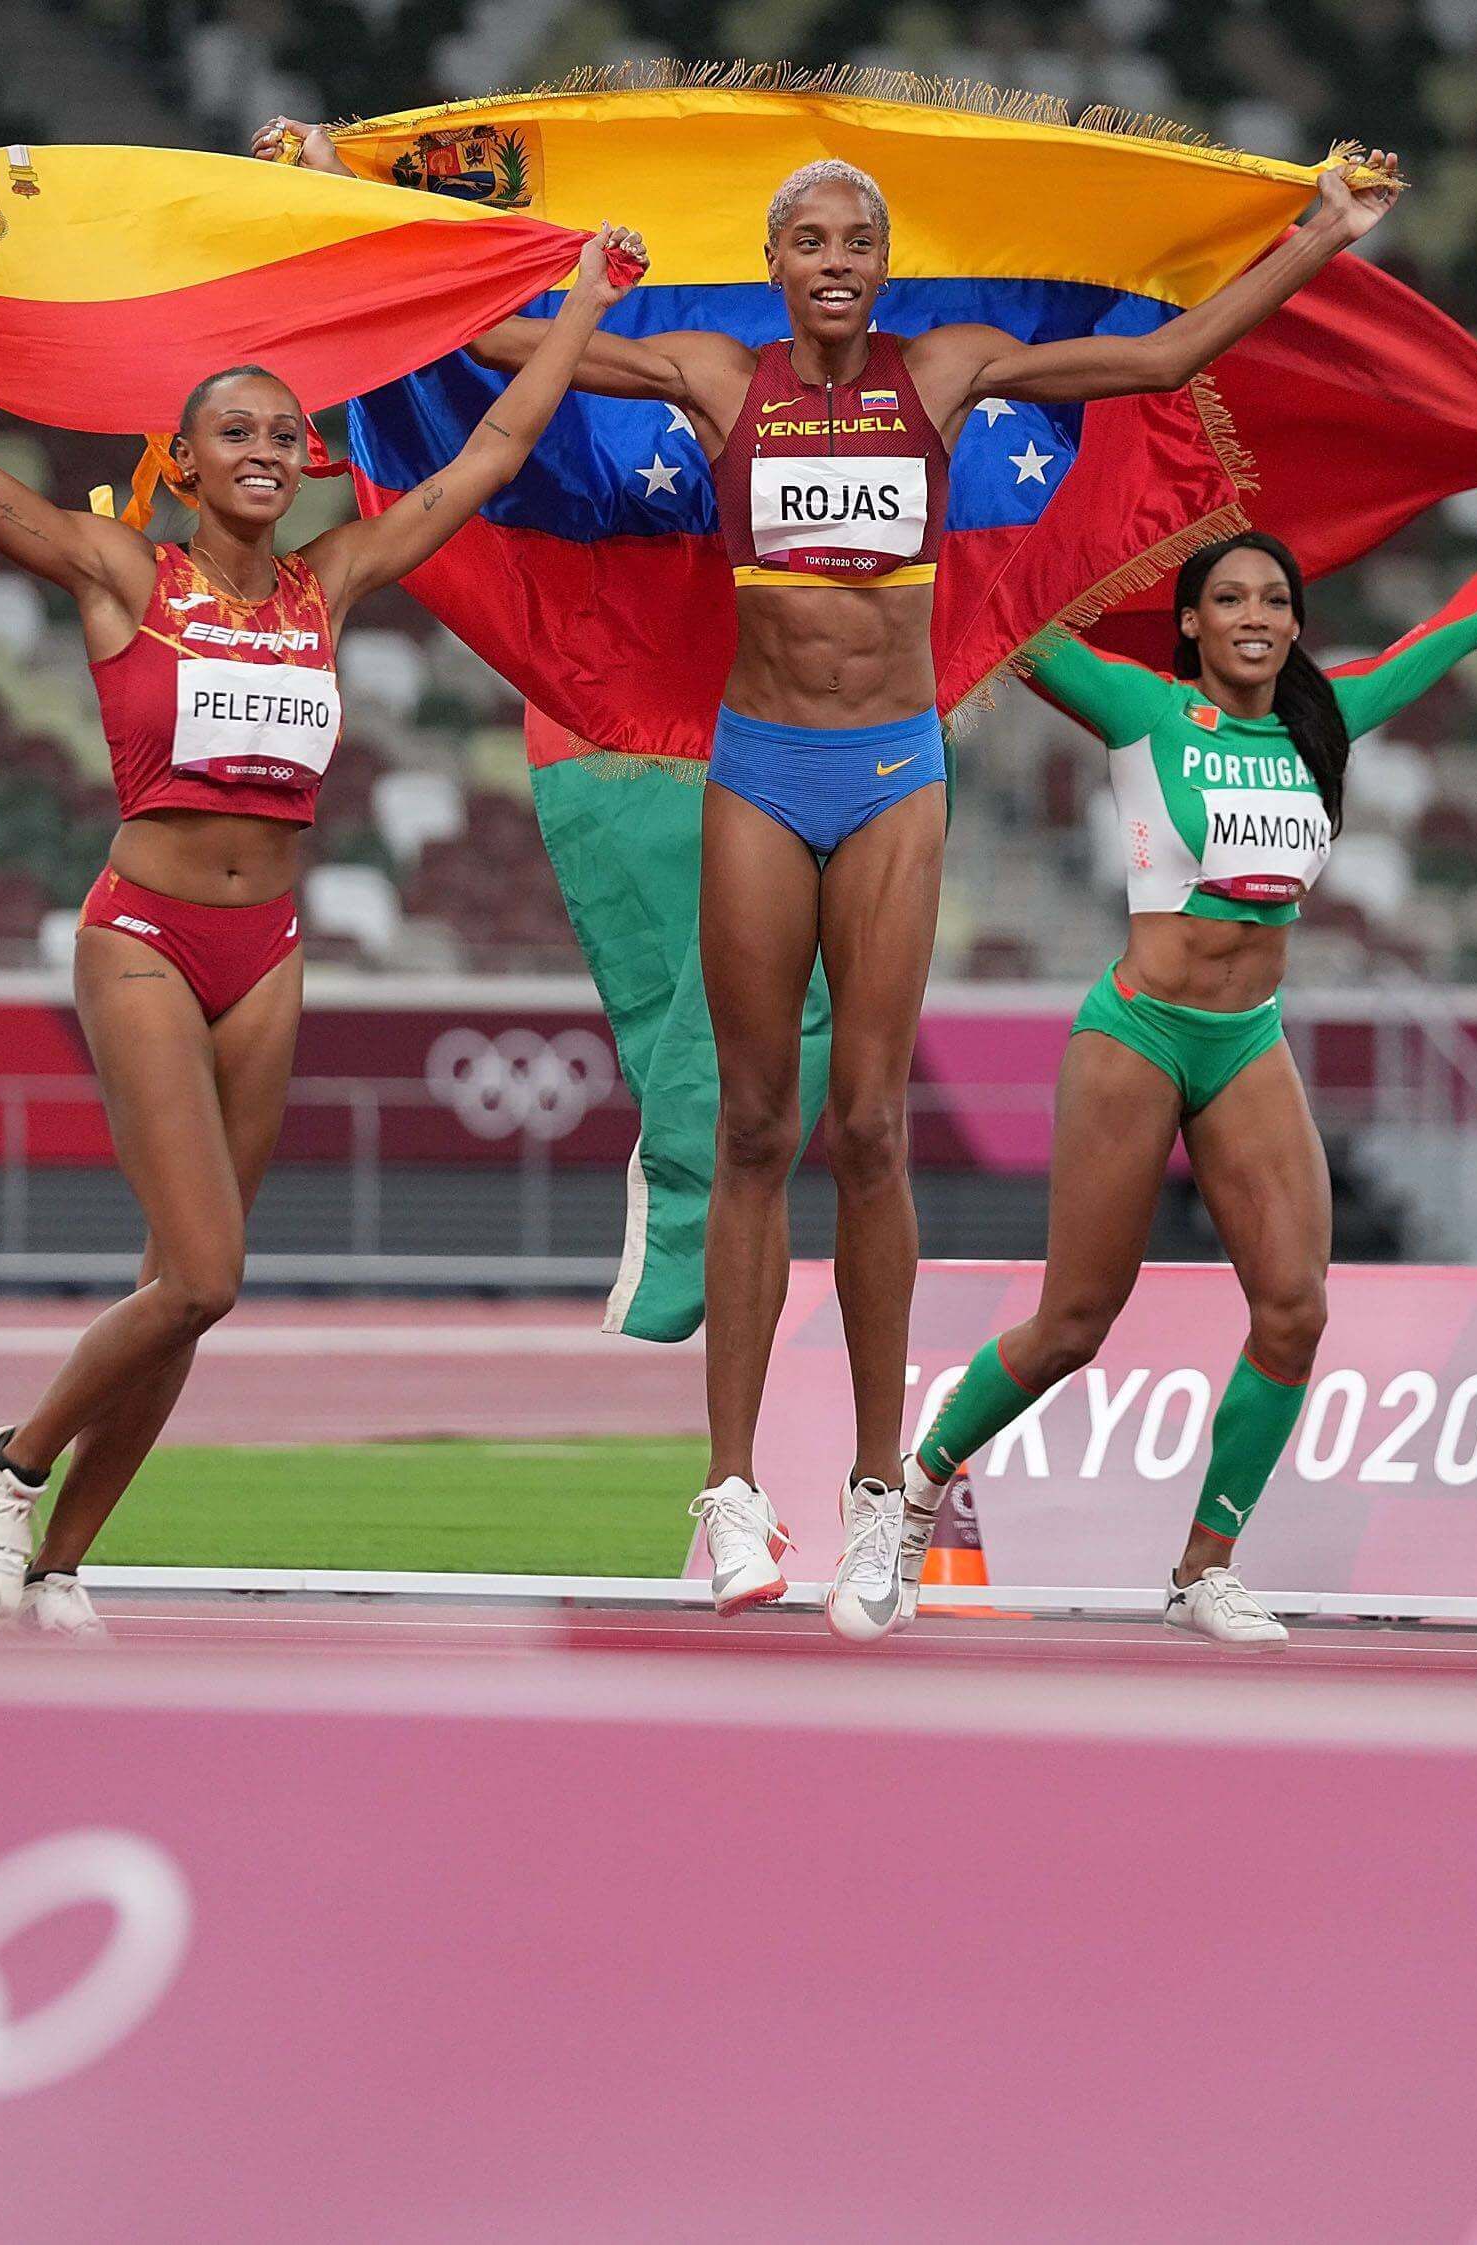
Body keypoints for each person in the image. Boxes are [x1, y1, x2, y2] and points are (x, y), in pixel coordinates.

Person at [278, 121, 1403, 1627]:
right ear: (771, 266)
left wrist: (1323, 228)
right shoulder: (709, 374)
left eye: (856, 245)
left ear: (883, 267)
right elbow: (492, 343)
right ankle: (733, 1490)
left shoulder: (946, 369)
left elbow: (1164, 356)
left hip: (892, 777)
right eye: (807, 244)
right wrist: (337, 205)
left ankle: (881, 1492)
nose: (833, 265)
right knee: (757, 1120)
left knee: (869, 1128)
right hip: (759, 765)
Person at [0, 211, 649, 1636]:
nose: (268, 452)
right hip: (147, 939)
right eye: (237, 432)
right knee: (206, 1266)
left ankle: (60, 1566)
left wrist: (588, 296)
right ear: (183, 461)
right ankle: (10, 1459)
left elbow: (490, 459)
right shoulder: (127, 580)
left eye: (286, 435)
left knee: (194, 1291)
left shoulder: (329, 582)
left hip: (271, 953)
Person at [886, 459, 1477, 1645]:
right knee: (1073, 1324)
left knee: (1295, 1311)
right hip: (1136, 1033)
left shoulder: (1325, 718)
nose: (1258, 619)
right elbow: (1006, 620)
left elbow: (1457, 631)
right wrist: (919, 483)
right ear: (1189, 621)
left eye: (1277, 602)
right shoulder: (1140, 709)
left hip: (1247, 1043)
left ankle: (1204, 1567)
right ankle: (917, 1481)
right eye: (1233, 600)